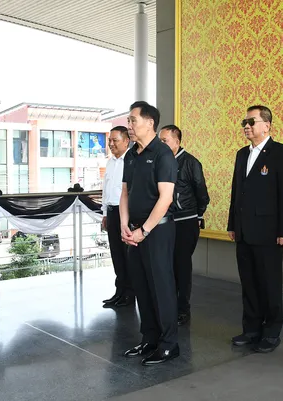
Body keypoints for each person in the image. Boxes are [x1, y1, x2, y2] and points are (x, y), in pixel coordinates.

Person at [227, 105, 283, 353]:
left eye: (251, 122)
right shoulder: (241, 154)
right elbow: (237, 191)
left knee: (269, 283)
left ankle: (271, 332)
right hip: (244, 231)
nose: (246, 126)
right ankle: (251, 329)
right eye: (244, 122)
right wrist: (232, 224)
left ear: (267, 125)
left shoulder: (281, 153)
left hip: (269, 232)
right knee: (249, 283)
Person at [120, 101, 179, 365]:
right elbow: (125, 192)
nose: (129, 125)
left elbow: (165, 198)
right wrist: (125, 224)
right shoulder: (131, 155)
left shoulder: (163, 154)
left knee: (161, 287)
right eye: (128, 120)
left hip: (157, 230)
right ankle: (150, 338)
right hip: (134, 231)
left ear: (150, 122)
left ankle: (169, 345)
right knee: (141, 285)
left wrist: (144, 230)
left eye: (133, 120)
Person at [158, 124, 210, 326]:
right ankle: (169, 307)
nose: (161, 144)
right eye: (160, 141)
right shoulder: (161, 162)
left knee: (182, 266)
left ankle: (183, 309)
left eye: (165, 141)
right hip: (166, 221)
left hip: (186, 221)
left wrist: (198, 215)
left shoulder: (191, 162)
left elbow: (202, 193)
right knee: (167, 265)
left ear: (177, 141)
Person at [100, 126, 134, 307]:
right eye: (109, 141)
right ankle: (119, 292)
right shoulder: (111, 162)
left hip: (126, 214)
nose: (111, 144)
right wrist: (105, 213)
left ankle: (129, 294)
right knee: (116, 255)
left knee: (127, 256)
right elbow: (105, 190)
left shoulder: (131, 160)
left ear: (126, 141)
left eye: (115, 140)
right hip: (112, 212)